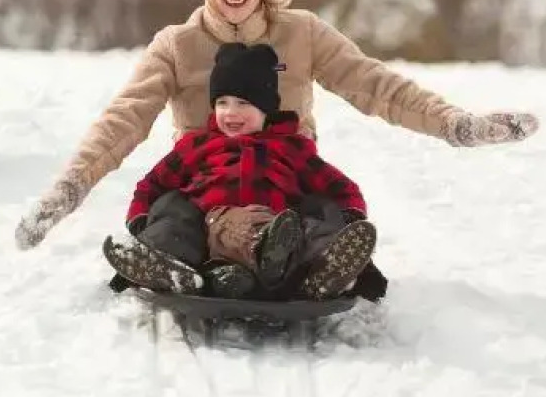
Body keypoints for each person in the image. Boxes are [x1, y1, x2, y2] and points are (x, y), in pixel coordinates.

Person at [15, 0, 539, 250]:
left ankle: (321, 264)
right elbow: (123, 121)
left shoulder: (301, 32)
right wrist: (69, 189)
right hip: (204, 183)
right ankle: (169, 262)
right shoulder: (178, 45)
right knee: (170, 218)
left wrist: (454, 124)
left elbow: (373, 85)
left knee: (326, 217)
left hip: (286, 177)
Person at [101, 42, 378, 301]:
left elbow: (340, 187)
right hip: (209, 231)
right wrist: (139, 222)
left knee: (319, 211)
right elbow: (152, 185)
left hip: (282, 231)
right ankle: (162, 264)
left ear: (266, 109)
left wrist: (348, 219)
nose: (231, 112)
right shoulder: (197, 146)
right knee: (172, 208)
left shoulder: (291, 148)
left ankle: (328, 269)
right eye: (222, 103)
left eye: (244, 103)